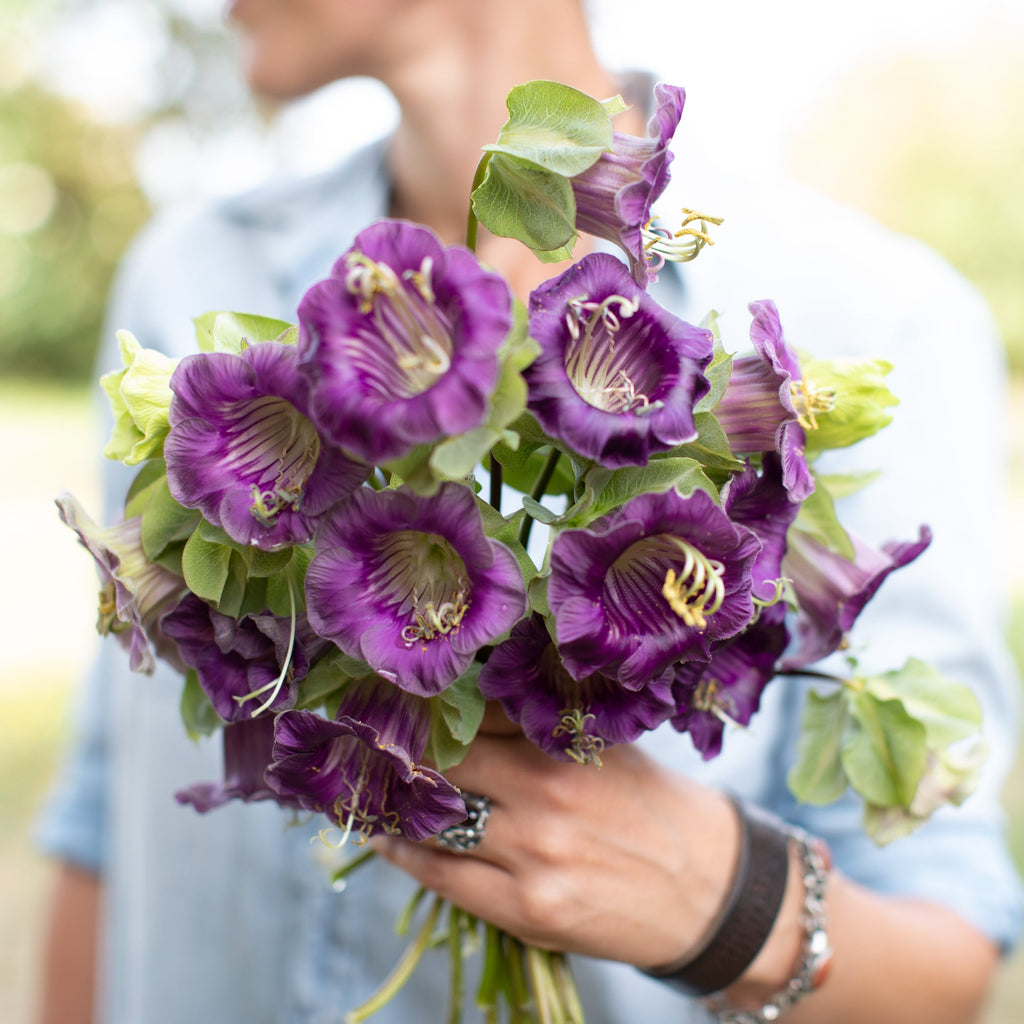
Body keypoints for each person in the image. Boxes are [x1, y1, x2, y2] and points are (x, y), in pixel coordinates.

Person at [36, 1, 1023, 1022]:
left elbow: (944, 960)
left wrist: (715, 894)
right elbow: (106, 806)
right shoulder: (188, 272)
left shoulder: (877, 309)